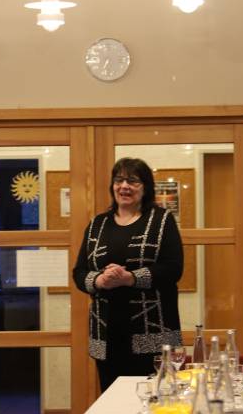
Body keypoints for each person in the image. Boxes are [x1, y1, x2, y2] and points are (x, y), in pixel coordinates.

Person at [72, 157, 183, 392]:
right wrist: (99, 280)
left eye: (133, 181)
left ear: (145, 187)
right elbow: (79, 272)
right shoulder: (97, 224)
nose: (124, 186)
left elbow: (173, 268)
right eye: (119, 180)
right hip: (107, 334)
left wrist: (130, 278)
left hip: (154, 334)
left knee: (155, 401)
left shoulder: (162, 220)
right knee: (111, 403)